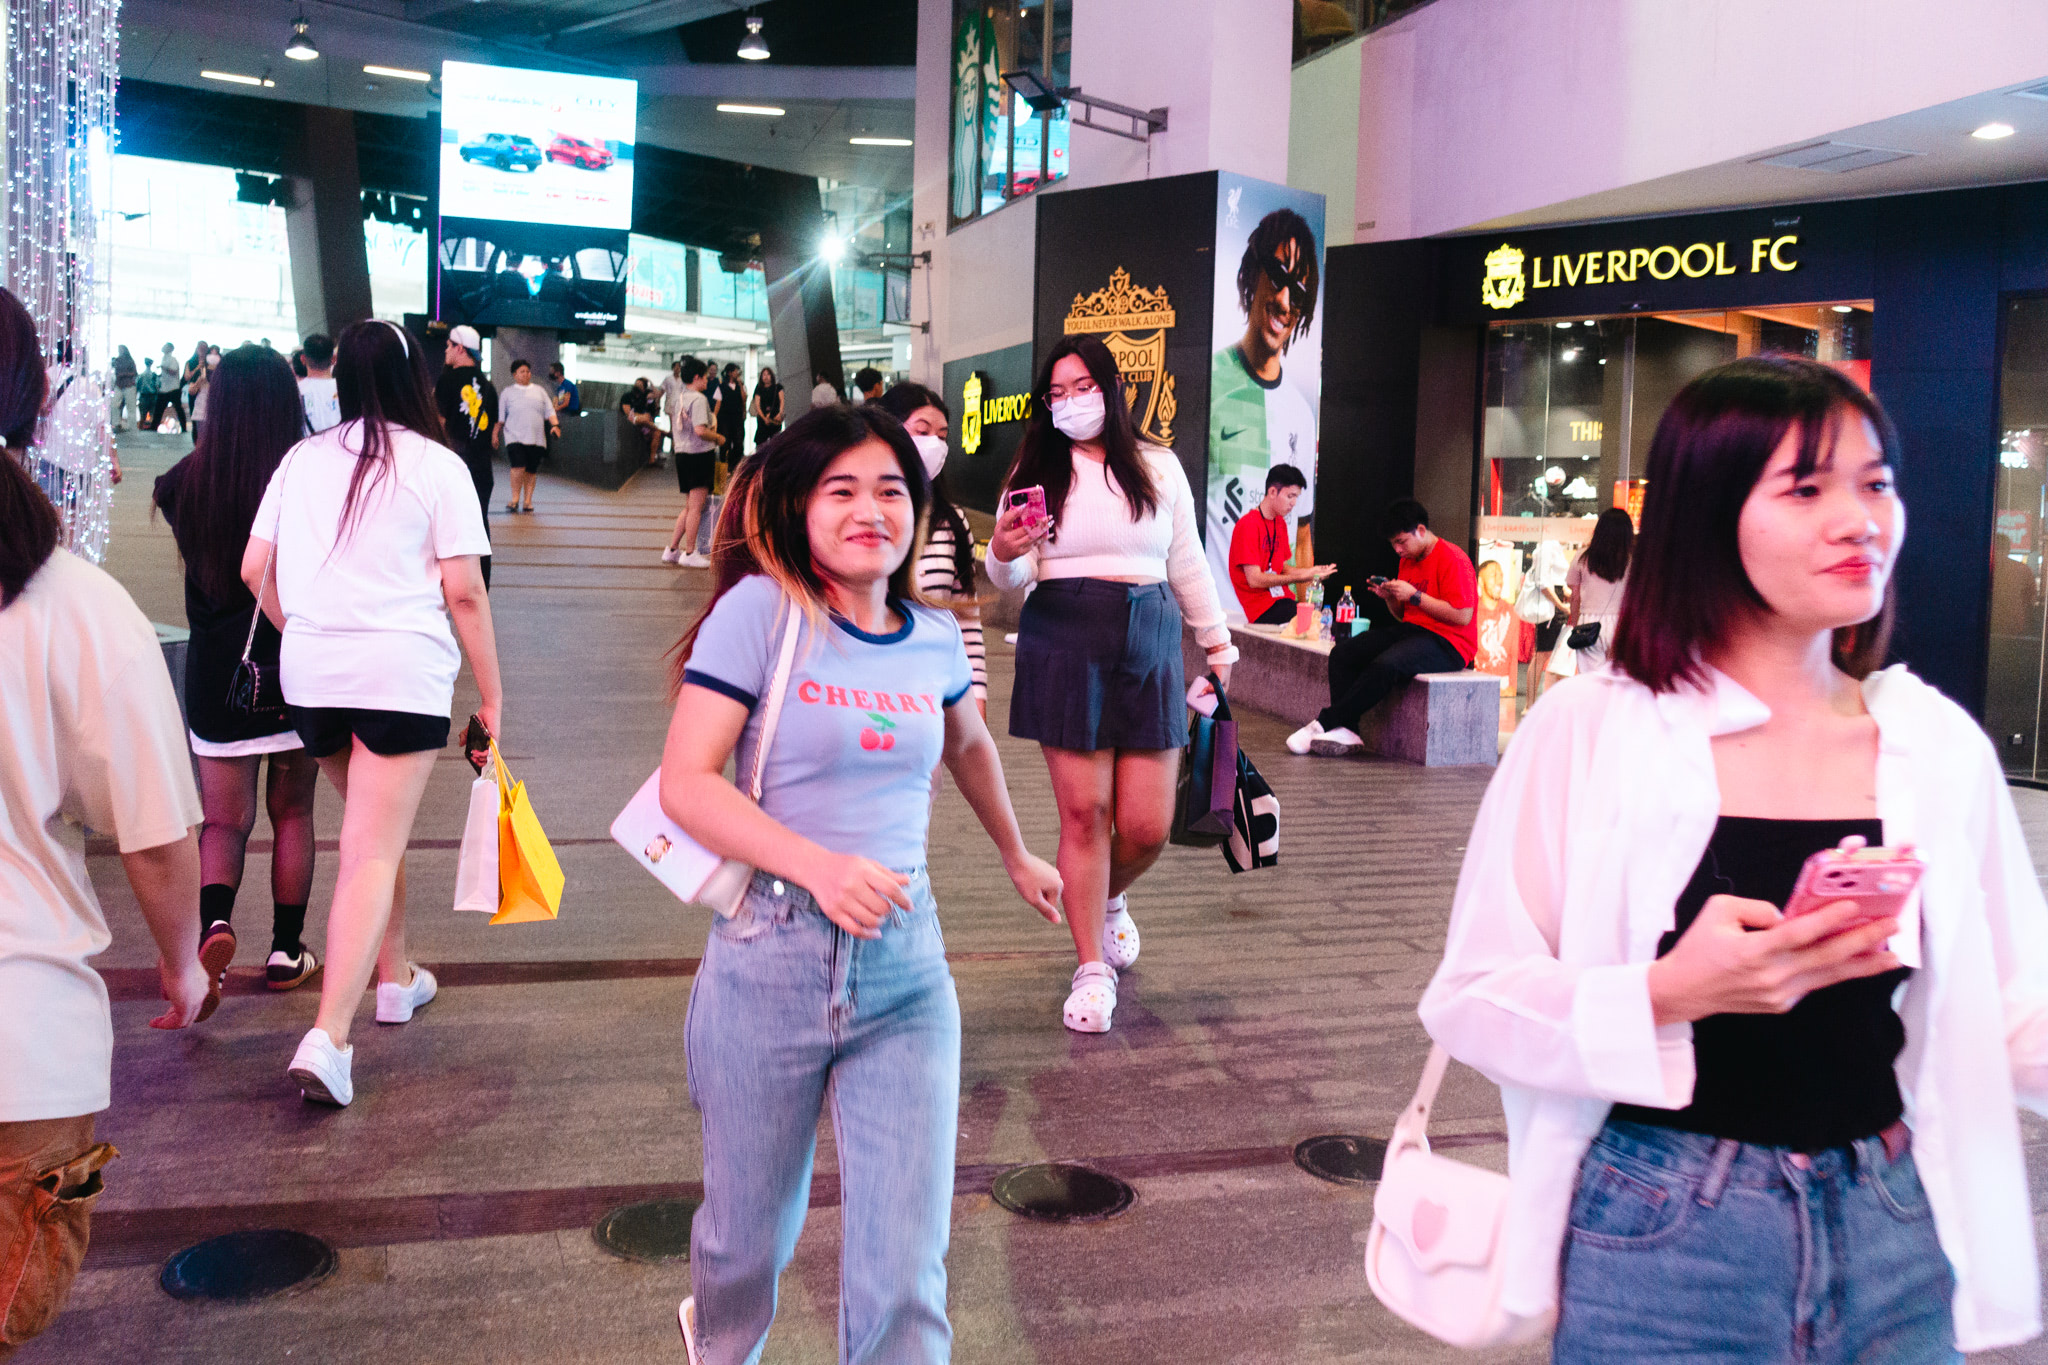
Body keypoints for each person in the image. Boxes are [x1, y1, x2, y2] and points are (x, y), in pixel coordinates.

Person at [1418, 354, 2048, 1361]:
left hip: (1893, 1225)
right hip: (1662, 1232)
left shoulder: (1932, 744)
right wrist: (1665, 992)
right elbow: (1472, 995)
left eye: (1875, 483)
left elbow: (2013, 1007)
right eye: (1804, 489)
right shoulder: (1591, 730)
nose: (1859, 519)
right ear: (1709, 514)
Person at [661, 404, 1062, 1365]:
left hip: (906, 967)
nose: (869, 509)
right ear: (800, 507)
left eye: (890, 490)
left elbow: (967, 744)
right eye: (841, 490)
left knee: (906, 1273)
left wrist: (1016, 852)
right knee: (745, 1240)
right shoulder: (760, 612)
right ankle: (717, 1338)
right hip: (769, 953)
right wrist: (815, 866)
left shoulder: (931, 635)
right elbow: (685, 782)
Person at [0, 286, 209, 1357]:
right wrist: (183, 965)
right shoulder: (73, 607)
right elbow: (157, 834)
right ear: (36, 408)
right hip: (21, 1047)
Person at [243, 318, 502, 1109]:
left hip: (313, 676)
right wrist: (492, 696)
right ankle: (330, 1036)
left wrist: (309, 631)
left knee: (366, 837)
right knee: (370, 851)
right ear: (413, 378)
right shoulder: (438, 464)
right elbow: (463, 589)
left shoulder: (301, 458)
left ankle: (397, 979)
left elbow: (256, 565)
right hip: (400, 676)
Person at [987, 334, 1237, 1033]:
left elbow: (1186, 558)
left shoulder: (1157, 464)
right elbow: (1007, 574)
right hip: (1063, 632)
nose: (1069, 402)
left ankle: (1105, 898)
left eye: (1082, 386)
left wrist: (1216, 645)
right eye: (1056, 392)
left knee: (1151, 824)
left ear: (1111, 387)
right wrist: (1002, 551)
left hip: (1151, 634)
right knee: (1087, 814)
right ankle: (1091, 965)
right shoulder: (1036, 466)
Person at [153, 344, 323, 996]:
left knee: (224, 821)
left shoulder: (180, 485)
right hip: (293, 666)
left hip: (216, 678)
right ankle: (286, 949)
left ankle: (215, 922)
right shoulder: (304, 482)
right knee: (294, 813)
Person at [1286, 498, 1476, 756]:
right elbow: (1402, 615)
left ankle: (1325, 722)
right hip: (1414, 631)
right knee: (1342, 654)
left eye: (1401, 541)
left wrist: (1414, 596)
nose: (1398, 549)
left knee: (1387, 664)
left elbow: (1463, 616)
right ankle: (1348, 730)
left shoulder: (1453, 558)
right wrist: (1391, 598)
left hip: (1450, 643)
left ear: (1420, 530)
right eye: (1394, 544)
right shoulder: (1408, 559)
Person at [1208, 208, 1320, 596]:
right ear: (1252, 273)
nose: (1286, 301)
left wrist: (1302, 625)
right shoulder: (1211, 381)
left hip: (1275, 625)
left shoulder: (1301, 416)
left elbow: (1301, 537)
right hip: (1215, 622)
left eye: (1299, 292)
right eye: (1277, 276)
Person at [874, 381, 987, 711]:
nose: (934, 445)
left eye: (942, 436)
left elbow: (965, 615)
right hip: (864, 683)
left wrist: (975, 689)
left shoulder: (950, 520)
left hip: (928, 686)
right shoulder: (862, 516)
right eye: (921, 432)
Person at [433, 325, 499, 588]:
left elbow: (437, 425)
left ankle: (449, 586)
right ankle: (480, 586)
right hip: (482, 469)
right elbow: (491, 429)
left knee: (446, 529)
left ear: (460, 348)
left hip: (452, 467)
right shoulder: (489, 386)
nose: (446, 349)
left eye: (449, 344)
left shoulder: (447, 381)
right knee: (478, 527)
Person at [1227, 463, 1333, 624]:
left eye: (1296, 497)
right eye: (1290, 496)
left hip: (1281, 600)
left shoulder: (1279, 523)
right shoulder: (1248, 525)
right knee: (1313, 622)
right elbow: (1254, 579)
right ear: (1272, 492)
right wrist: (1302, 577)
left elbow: (1281, 568)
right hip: (1260, 608)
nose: (1294, 503)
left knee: (1322, 620)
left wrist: (1312, 571)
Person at [661, 358, 723, 568]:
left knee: (689, 507)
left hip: (682, 455)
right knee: (696, 508)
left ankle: (672, 550)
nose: (708, 380)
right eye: (705, 376)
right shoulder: (699, 399)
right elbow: (700, 430)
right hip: (699, 456)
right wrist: (718, 438)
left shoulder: (680, 398)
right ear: (696, 377)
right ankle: (689, 552)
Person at [1560, 505, 1632, 672]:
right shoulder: (1633, 560)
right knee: (1617, 678)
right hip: (1621, 623)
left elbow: (1575, 596)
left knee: (1591, 680)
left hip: (1589, 623)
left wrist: (1575, 624)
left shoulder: (1583, 556)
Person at [497, 358, 558, 514]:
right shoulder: (507, 393)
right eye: (522, 371)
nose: (526, 374)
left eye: (528, 371)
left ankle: (528, 501)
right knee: (518, 467)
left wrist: (555, 426)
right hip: (514, 436)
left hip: (536, 438)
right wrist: (494, 435)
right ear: (514, 374)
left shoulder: (539, 391)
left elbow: (550, 411)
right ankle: (515, 499)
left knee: (531, 470)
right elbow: (500, 418)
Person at [297, 332, 339, 435]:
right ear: (333, 359)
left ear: (303, 359)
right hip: (342, 447)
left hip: (308, 448)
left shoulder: (295, 391)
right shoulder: (346, 388)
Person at [620, 377, 661, 467]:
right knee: (645, 419)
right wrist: (642, 416)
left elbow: (657, 394)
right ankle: (664, 432)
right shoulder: (627, 396)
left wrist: (650, 382)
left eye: (639, 385)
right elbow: (628, 413)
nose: (636, 386)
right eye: (636, 384)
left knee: (656, 433)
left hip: (644, 423)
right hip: (630, 421)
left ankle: (651, 460)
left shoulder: (645, 396)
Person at [715, 361, 747, 458]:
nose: (736, 373)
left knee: (738, 442)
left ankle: (735, 464)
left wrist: (740, 385)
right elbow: (718, 403)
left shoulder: (741, 386)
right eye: (734, 371)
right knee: (725, 442)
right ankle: (725, 465)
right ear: (729, 373)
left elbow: (744, 399)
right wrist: (714, 417)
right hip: (725, 418)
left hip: (737, 417)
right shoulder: (721, 387)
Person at [156, 342, 188, 433]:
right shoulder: (164, 359)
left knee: (178, 409)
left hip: (173, 388)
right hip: (165, 388)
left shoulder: (172, 360)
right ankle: (154, 426)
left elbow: (173, 371)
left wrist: (163, 368)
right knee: (160, 409)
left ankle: (184, 427)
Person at [751, 365, 784, 446]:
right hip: (762, 418)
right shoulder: (759, 388)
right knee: (761, 441)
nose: (766, 377)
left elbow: (782, 401)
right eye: (764, 375)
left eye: (768, 374)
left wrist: (780, 413)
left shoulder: (778, 387)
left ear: (771, 376)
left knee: (775, 441)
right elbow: (757, 405)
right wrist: (764, 418)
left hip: (775, 417)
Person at [108, 345, 137, 432]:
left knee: (131, 406)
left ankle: (132, 426)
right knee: (114, 404)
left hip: (128, 385)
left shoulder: (130, 361)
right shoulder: (118, 361)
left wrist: (124, 375)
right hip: (120, 385)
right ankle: (116, 423)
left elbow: (134, 373)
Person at [136, 358, 159, 430]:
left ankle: (140, 429)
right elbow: (157, 386)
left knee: (142, 415)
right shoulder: (154, 375)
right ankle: (152, 429)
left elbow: (137, 386)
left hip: (143, 396)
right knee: (152, 414)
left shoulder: (141, 375)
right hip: (153, 396)